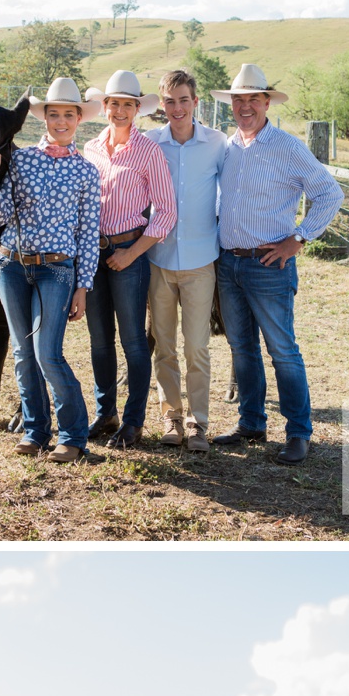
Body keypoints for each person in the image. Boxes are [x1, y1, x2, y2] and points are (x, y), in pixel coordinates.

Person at [210, 64, 344, 464]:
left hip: (269, 265)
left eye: (253, 99)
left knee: (282, 349)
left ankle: (299, 431)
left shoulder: (286, 147)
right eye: (239, 99)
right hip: (228, 262)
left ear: (267, 102)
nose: (245, 106)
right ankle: (251, 422)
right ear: (231, 104)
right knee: (242, 348)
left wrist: (300, 238)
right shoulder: (227, 147)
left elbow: (330, 194)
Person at [0, 78, 103, 464]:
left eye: (69, 114)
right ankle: (35, 430)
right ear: (44, 117)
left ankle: (73, 435)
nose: (61, 121)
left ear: (79, 119)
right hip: (11, 265)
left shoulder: (87, 172)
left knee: (48, 352)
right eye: (54, 114)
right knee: (22, 352)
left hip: (57, 270)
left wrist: (83, 286)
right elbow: (0, 216)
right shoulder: (21, 160)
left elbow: (87, 234)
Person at [83, 70, 177, 449]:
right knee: (99, 339)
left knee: (133, 340)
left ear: (137, 109)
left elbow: (166, 212)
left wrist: (132, 253)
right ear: (104, 107)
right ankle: (106, 412)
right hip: (92, 251)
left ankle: (134, 420)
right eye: (113, 103)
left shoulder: (148, 151)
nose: (120, 110)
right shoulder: (89, 148)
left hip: (130, 251)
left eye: (127, 104)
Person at [145, 69, 227, 452]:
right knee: (164, 345)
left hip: (199, 261)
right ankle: (171, 417)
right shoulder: (150, 144)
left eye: (184, 100)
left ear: (195, 102)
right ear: (162, 105)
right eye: (170, 101)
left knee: (196, 347)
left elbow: (234, 191)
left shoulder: (217, 144)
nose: (177, 108)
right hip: (159, 259)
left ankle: (198, 423)